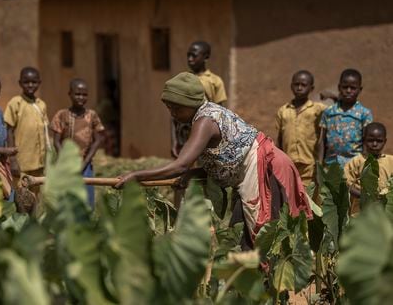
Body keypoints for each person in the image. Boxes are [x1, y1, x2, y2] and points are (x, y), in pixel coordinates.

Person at [115, 72, 312, 249]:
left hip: (267, 172)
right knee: (240, 236)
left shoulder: (205, 121)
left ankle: (273, 290)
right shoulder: (204, 115)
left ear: (189, 104)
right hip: (250, 175)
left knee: (264, 245)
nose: (172, 114)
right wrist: (192, 174)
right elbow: (223, 159)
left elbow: (180, 164)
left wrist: (135, 175)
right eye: (169, 108)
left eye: (176, 108)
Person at [51, 78, 105, 208]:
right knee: (67, 201)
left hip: (86, 166)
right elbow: (56, 141)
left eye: (84, 94)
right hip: (66, 165)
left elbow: (97, 140)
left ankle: (87, 227)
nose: (81, 97)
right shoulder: (61, 115)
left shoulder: (92, 116)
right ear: (70, 94)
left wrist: (85, 162)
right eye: (77, 94)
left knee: (87, 202)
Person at [171, 41, 228, 158]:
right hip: (185, 135)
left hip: (205, 134)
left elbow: (220, 112)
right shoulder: (184, 80)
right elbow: (173, 114)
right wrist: (175, 140)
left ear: (206, 57)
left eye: (194, 55)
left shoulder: (215, 81)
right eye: (188, 55)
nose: (190, 59)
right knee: (184, 168)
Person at [4, 67, 50, 199]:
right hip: (21, 162)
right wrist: (12, 159)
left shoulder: (41, 105)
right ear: (20, 83)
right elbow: (9, 130)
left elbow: (45, 132)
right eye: (26, 82)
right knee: (21, 197)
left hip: (39, 163)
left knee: (36, 196)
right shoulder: (15, 103)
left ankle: (33, 220)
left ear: (39, 83)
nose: (30, 85)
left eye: (34, 82)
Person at [276, 70, 326, 186]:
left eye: (303, 85)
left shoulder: (318, 110)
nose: (299, 88)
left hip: (310, 165)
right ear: (291, 86)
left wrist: (332, 96)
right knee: (290, 198)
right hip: (289, 165)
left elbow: (336, 111)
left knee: (309, 199)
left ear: (311, 88)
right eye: (296, 84)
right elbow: (279, 140)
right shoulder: (283, 111)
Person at [319, 68, 373, 168]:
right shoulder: (328, 112)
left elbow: (366, 141)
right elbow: (322, 141)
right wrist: (319, 166)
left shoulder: (364, 114)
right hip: (330, 165)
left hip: (354, 165)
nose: (348, 90)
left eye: (353, 88)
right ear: (339, 87)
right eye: (345, 87)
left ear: (360, 90)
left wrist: (364, 166)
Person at [344, 122, 393, 214]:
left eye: (379, 141)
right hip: (360, 212)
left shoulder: (391, 161)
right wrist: (365, 197)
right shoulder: (355, 162)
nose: (374, 144)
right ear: (364, 140)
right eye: (370, 140)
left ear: (385, 141)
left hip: (386, 213)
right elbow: (347, 185)